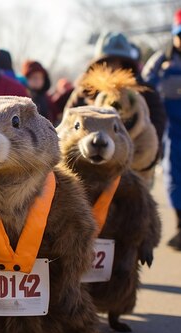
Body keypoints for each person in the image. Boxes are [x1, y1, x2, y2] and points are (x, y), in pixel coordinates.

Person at [64, 31, 167, 144]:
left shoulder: (145, 92)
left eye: (119, 64)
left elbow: (157, 126)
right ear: (96, 66)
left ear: (128, 67)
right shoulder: (84, 91)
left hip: (132, 157)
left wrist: (140, 154)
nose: (112, 69)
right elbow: (67, 126)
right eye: (106, 63)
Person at [142, 9, 181, 250]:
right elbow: (145, 84)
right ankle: (180, 225)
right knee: (173, 177)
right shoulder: (161, 60)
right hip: (172, 127)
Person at [22, 60, 57, 124]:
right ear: (26, 78)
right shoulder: (22, 97)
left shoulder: (47, 99)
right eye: (35, 78)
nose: (38, 81)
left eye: (41, 78)